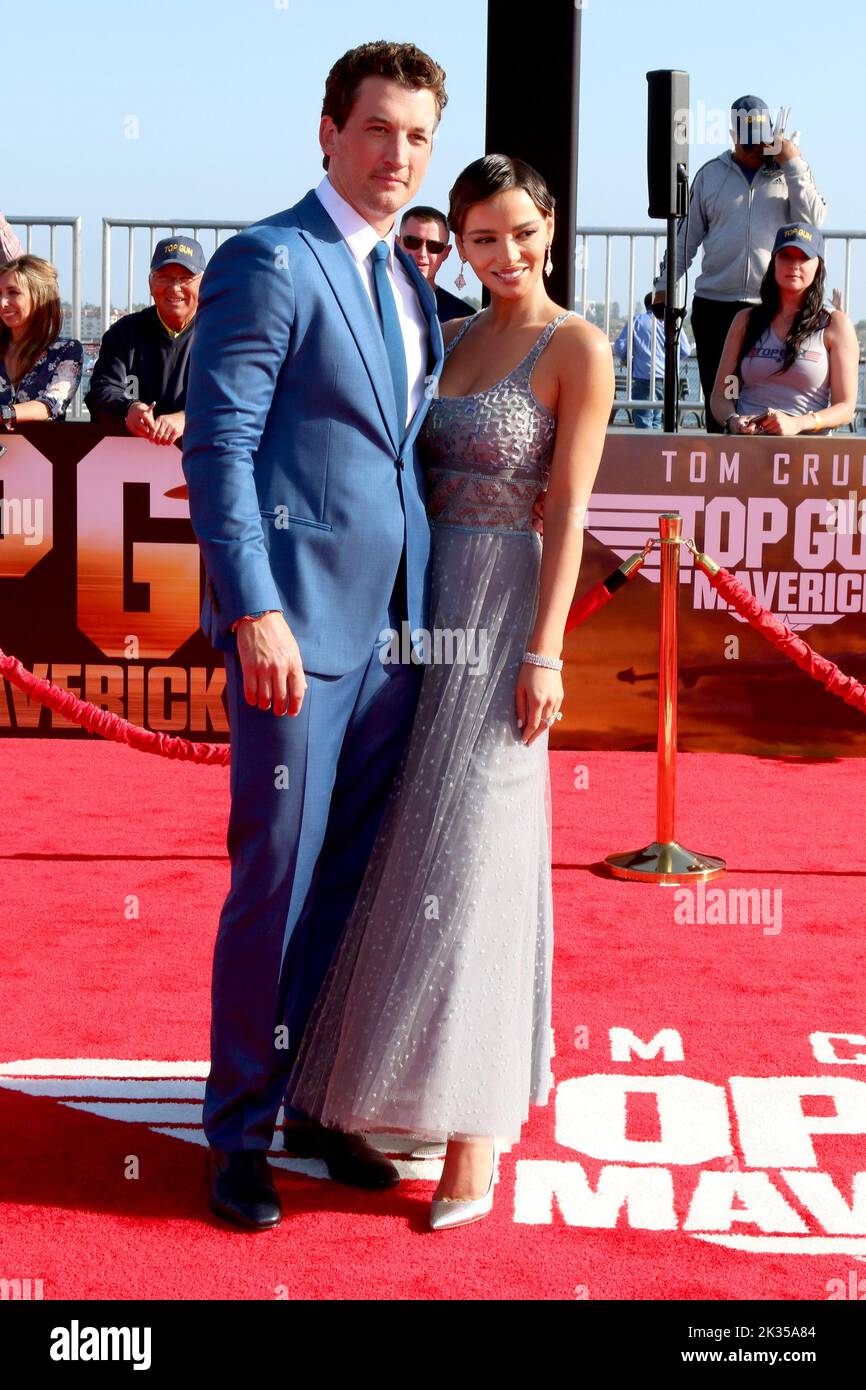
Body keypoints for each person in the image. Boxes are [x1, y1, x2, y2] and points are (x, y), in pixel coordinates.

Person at [285, 153, 614, 1231]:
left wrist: (546, 649)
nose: (503, 255)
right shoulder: (451, 332)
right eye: (481, 238)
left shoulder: (578, 346)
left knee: (480, 854)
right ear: (455, 244)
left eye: (520, 233)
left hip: (506, 608)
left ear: (549, 230)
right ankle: (379, 1090)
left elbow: (566, 513)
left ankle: (477, 1130)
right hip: (419, 613)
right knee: (398, 839)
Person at [182, 40, 449, 1231]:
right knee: (276, 888)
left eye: (418, 137)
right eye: (380, 129)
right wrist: (255, 610)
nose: (399, 156)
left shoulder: (405, 281)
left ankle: (315, 1100)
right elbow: (218, 448)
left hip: (396, 641)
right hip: (295, 636)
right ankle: (237, 1130)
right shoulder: (268, 259)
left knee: (350, 886)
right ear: (329, 131)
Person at [653, 96, 826, 432]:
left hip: (771, 306)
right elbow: (684, 239)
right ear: (732, 134)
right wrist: (663, 287)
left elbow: (813, 222)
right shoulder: (710, 176)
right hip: (716, 306)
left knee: (766, 400)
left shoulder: (789, 174)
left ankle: (764, 475)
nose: (755, 151)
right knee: (723, 402)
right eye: (747, 145)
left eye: (760, 143)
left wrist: (793, 164)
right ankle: (721, 474)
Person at [711, 223, 858, 436]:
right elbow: (722, 395)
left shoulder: (835, 325)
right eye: (786, 256)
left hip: (805, 453)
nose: (794, 265)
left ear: (817, 266)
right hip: (747, 448)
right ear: (774, 263)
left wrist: (798, 423)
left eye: (803, 258)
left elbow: (845, 407)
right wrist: (733, 419)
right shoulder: (745, 321)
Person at [85, 237, 205, 444]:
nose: (174, 288)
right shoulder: (123, 333)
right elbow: (100, 391)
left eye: (185, 278)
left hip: (203, 459)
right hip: (134, 463)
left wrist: (188, 418)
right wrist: (128, 409)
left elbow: (242, 400)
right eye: (164, 277)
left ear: (204, 283)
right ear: (150, 283)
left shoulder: (222, 333)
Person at [0, 255, 82, 427]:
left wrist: (5, 414)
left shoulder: (67, 351)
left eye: (13, 293)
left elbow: (51, 405)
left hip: (41, 452)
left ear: (40, 297)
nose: (2, 302)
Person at [612, 292, 692, 428]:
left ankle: (645, 448)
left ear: (647, 305)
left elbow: (620, 347)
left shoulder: (636, 321)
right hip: (666, 378)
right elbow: (685, 350)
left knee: (643, 420)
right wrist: (669, 360)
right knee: (657, 420)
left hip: (643, 376)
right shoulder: (671, 321)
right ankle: (655, 447)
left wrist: (627, 358)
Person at [397, 204, 476, 322]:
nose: (422, 253)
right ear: (397, 244)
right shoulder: (373, 299)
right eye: (412, 242)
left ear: (446, 252)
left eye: (434, 246)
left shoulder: (463, 317)